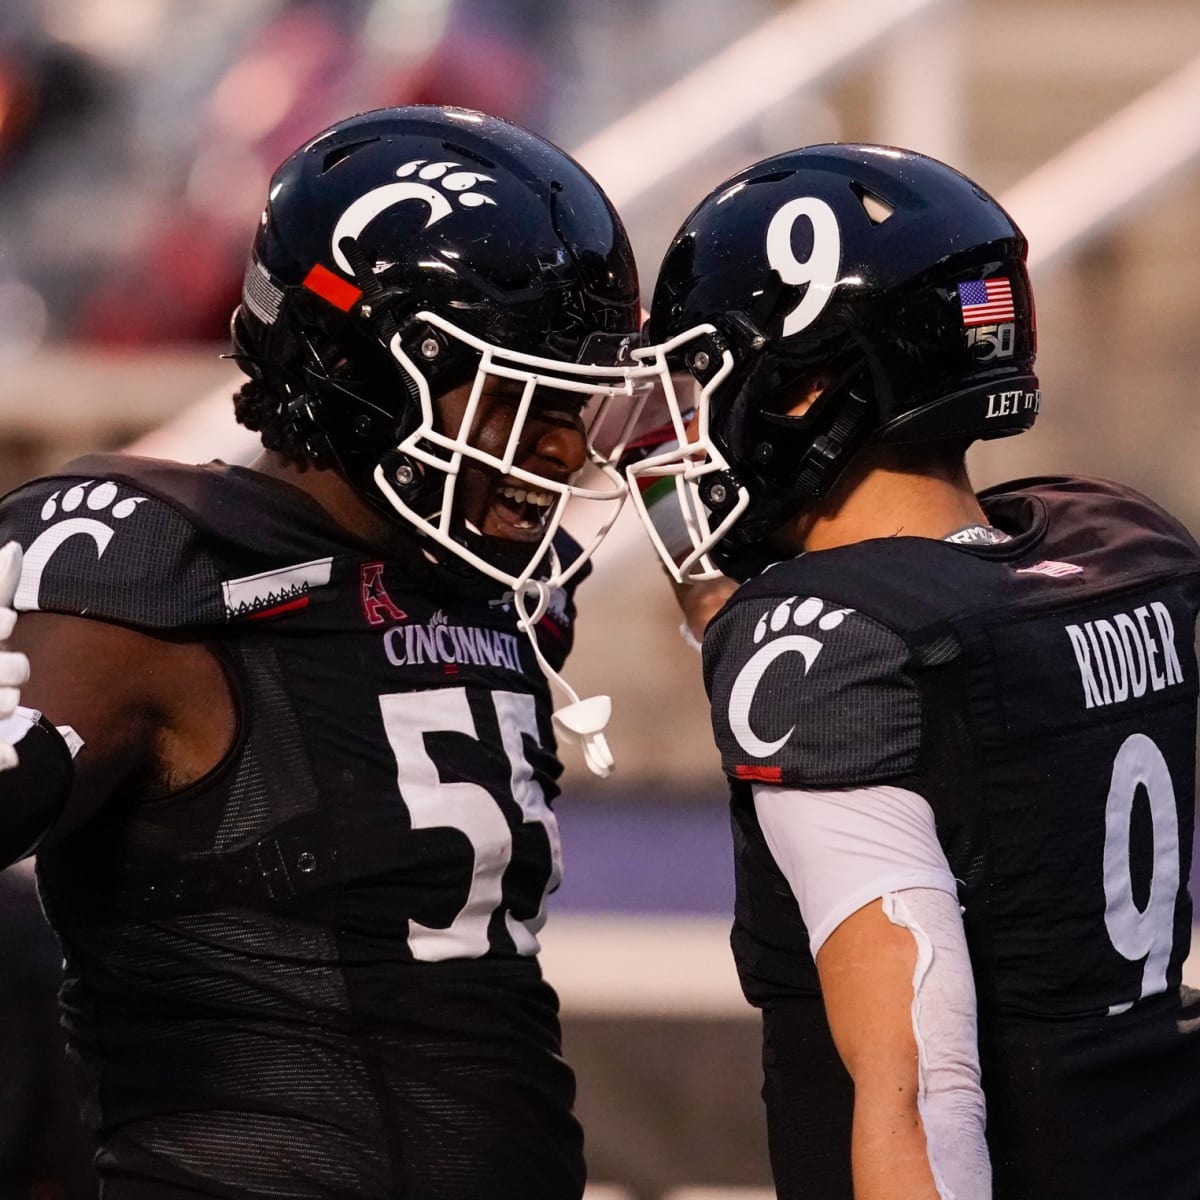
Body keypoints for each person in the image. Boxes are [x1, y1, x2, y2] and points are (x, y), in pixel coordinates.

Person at [0, 104, 652, 1200]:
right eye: (519, 393)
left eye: (572, 400)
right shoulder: (146, 570)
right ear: (360, 364)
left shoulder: (496, 587)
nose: (560, 444)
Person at [623, 143, 1200, 1200]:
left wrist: (761, 628)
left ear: (803, 388)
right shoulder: (1117, 547)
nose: (694, 428)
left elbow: (922, 1091)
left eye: (714, 380)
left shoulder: (834, 645)